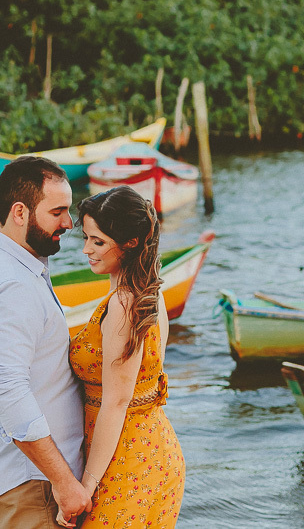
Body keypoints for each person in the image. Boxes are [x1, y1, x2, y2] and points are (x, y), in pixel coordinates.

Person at [0, 155, 92, 529]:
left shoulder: (15, 267)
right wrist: (64, 483)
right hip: (33, 485)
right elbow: (7, 390)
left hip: (35, 481)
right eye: (58, 211)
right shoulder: (11, 285)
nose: (69, 222)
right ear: (20, 212)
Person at [69, 185, 185, 527]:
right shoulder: (151, 293)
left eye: (98, 241)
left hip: (126, 459)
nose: (87, 249)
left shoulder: (122, 305)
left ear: (131, 243)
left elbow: (117, 402)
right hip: (154, 449)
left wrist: (85, 487)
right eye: (87, 238)